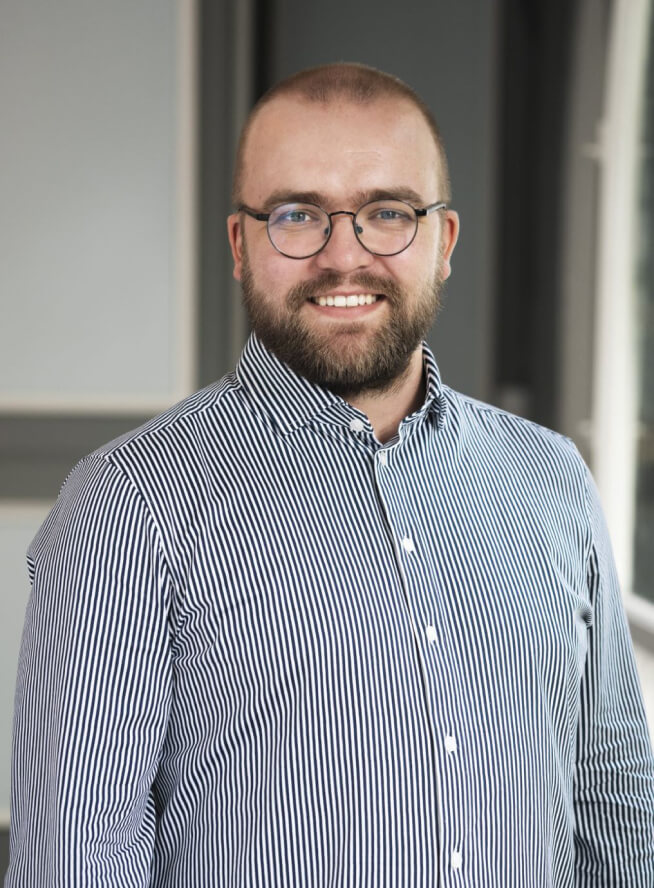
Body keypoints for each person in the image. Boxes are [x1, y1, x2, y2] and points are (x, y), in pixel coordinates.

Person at [6, 62, 654, 887]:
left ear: (445, 243)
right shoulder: (127, 503)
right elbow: (71, 862)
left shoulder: (551, 478)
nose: (343, 256)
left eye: (388, 213)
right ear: (240, 245)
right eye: (297, 215)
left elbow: (615, 809)